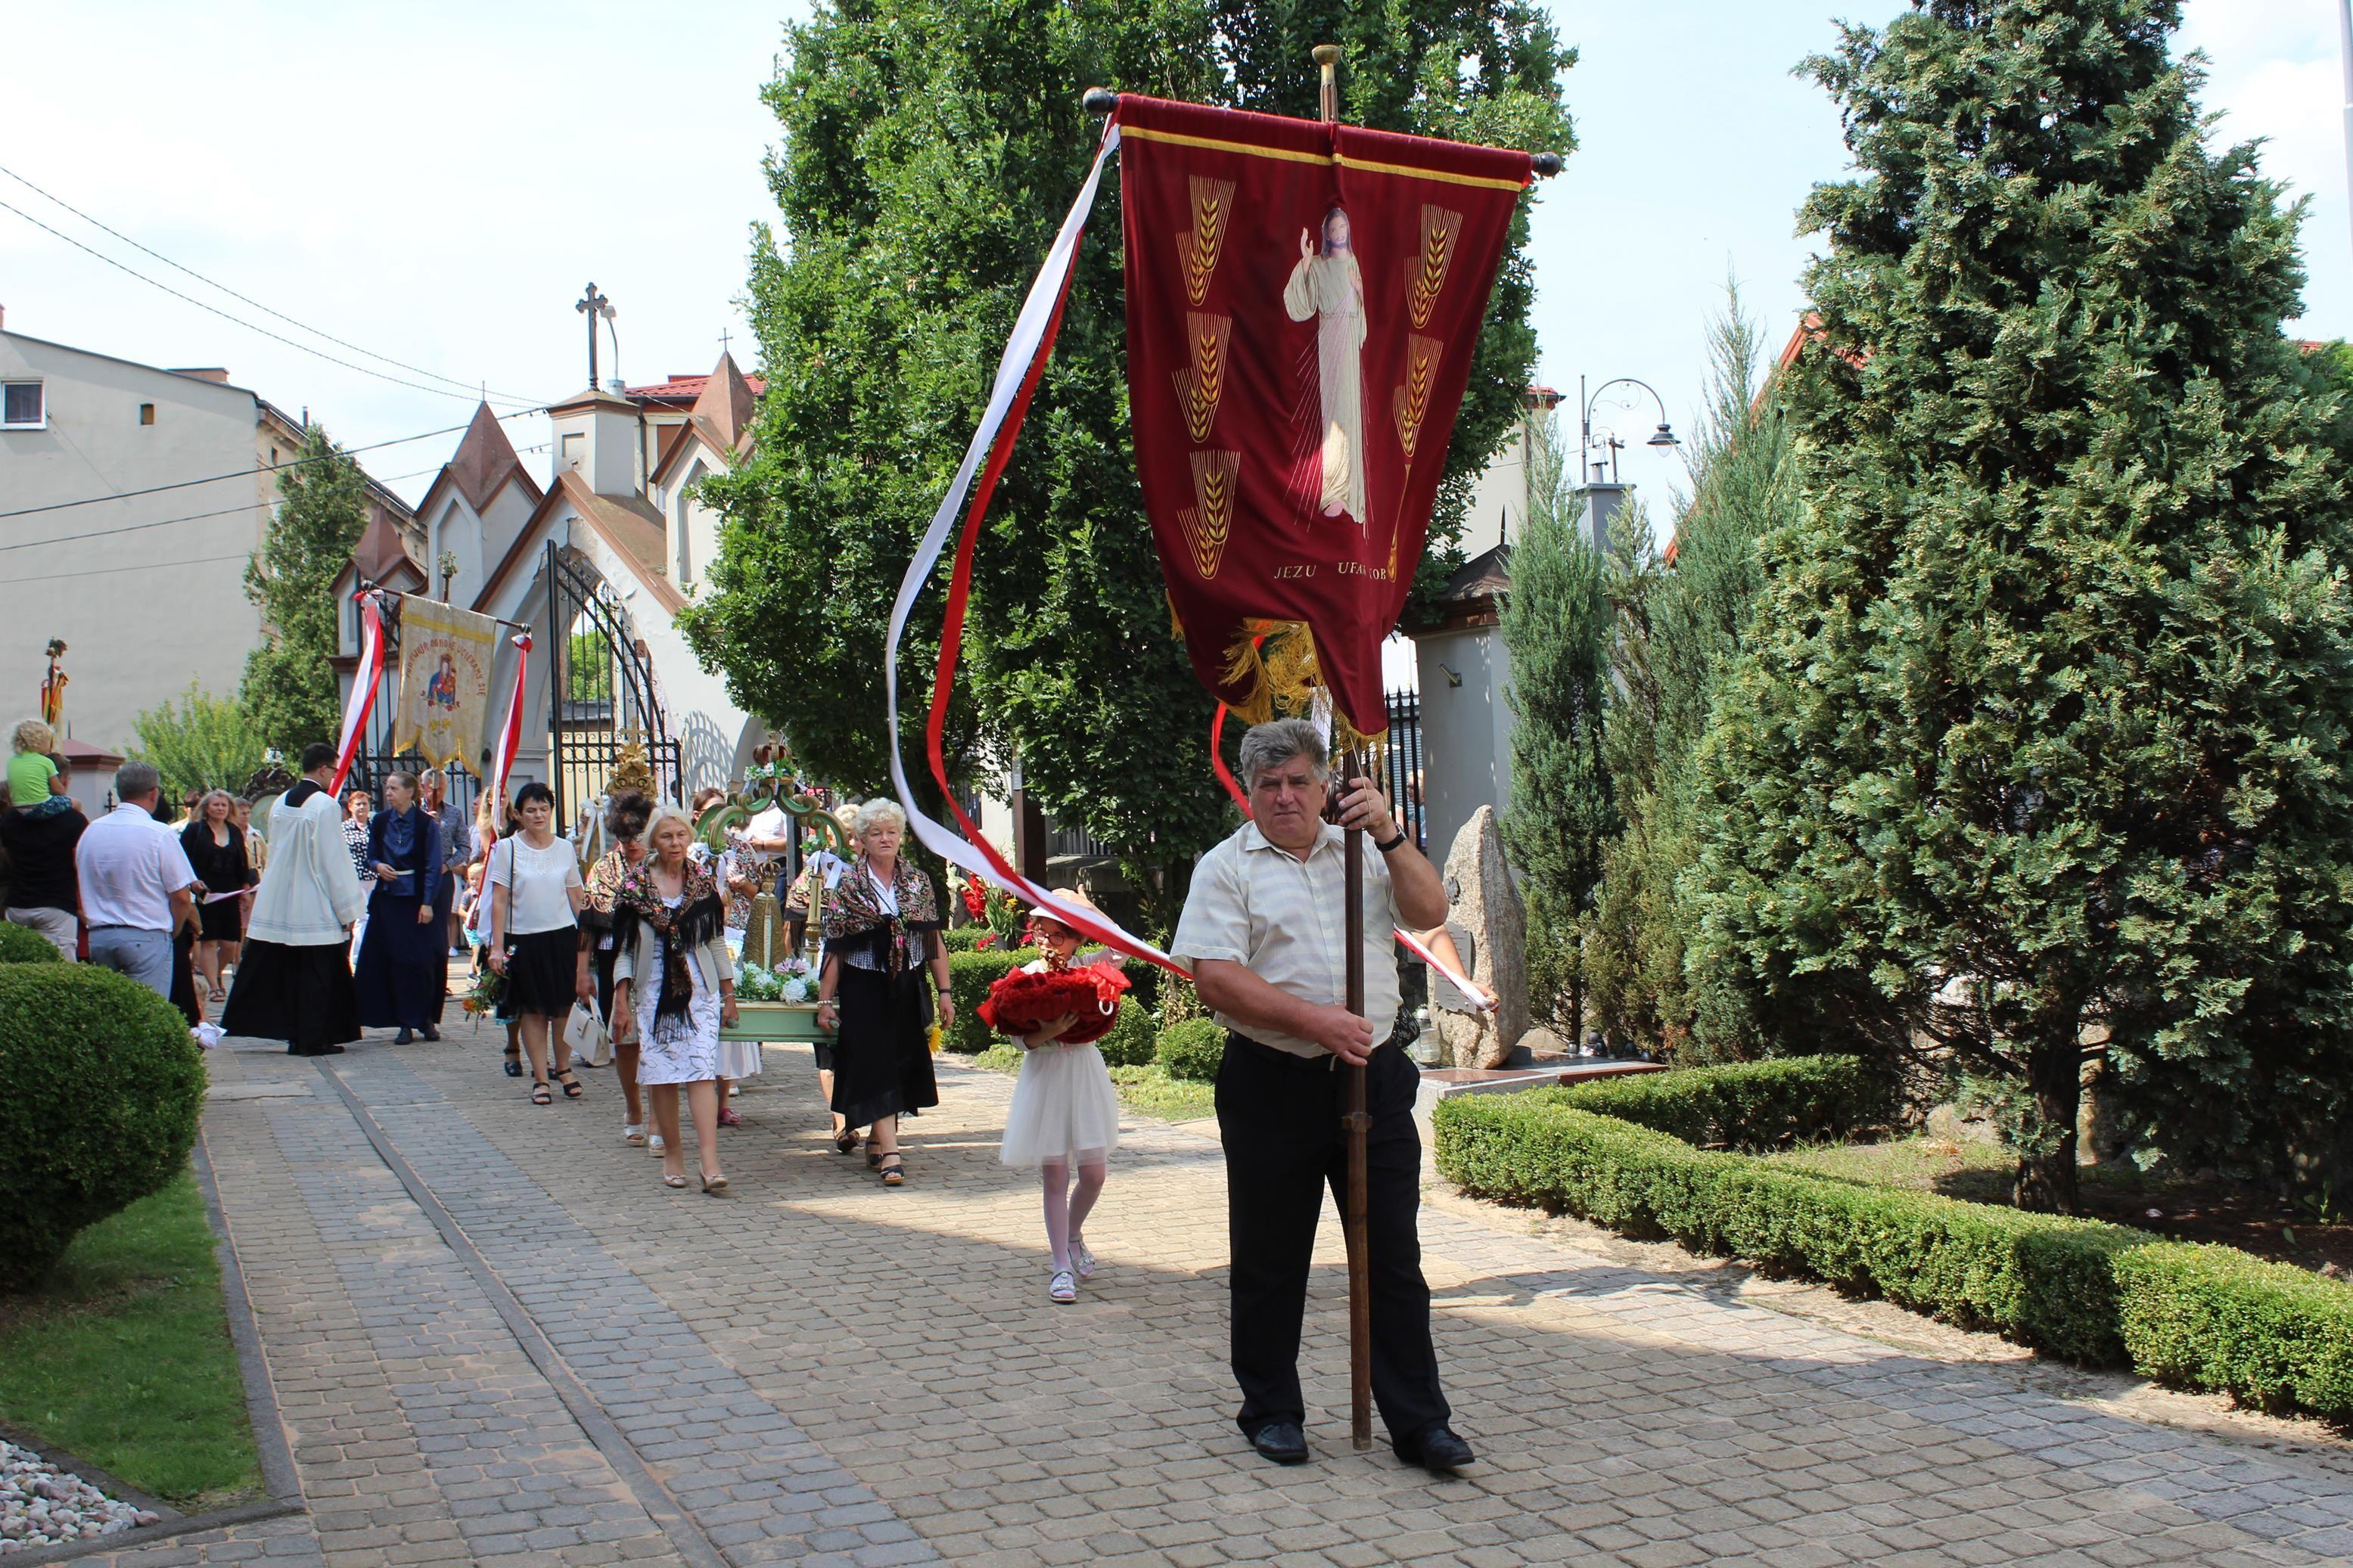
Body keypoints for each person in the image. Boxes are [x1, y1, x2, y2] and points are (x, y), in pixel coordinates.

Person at [1170, 716, 1470, 1474]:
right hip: (1272, 1080)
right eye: (1267, 785)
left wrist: (1394, 836)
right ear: (1247, 792)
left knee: (1391, 1258)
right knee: (1271, 1259)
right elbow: (1215, 977)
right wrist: (1314, 1021)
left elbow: (1431, 912)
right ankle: (1270, 1410)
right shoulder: (1225, 868)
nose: (1283, 797)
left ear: (1322, 783)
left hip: (1372, 1078)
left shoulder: (1364, 852)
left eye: (1298, 781)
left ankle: (1418, 1423)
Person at [996, 892, 1126, 1304]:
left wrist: (1088, 909)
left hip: (1084, 1073)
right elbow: (1017, 1039)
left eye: (1057, 935)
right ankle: (1060, 1268)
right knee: (1055, 1175)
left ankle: (1073, 1235)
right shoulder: (1027, 975)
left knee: (1094, 1173)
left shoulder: (1088, 968)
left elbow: (1122, 943)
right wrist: (1046, 1034)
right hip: (1046, 1076)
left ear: (1075, 939)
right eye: (1041, 933)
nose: (1046, 942)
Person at [814, 799, 948, 1188]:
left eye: (891, 832)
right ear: (862, 840)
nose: (885, 838)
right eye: (876, 833)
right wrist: (825, 1001)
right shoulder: (850, 885)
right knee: (874, 1061)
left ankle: (878, 1136)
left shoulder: (918, 881)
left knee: (900, 1061)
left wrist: (945, 992)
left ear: (901, 837)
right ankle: (891, 1153)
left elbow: (933, 938)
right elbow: (835, 947)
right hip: (864, 985)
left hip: (906, 983)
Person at [613, 805, 738, 1192]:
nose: (676, 843)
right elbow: (623, 950)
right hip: (653, 990)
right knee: (663, 1076)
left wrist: (729, 991)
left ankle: (711, 1163)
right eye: (667, 836)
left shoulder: (701, 883)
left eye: (681, 835)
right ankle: (673, 1154)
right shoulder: (635, 886)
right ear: (653, 841)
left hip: (699, 989)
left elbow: (715, 939)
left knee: (701, 1070)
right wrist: (621, 1000)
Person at [222, 745, 368, 1054]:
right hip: (313, 900)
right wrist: (348, 908)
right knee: (317, 975)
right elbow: (332, 860)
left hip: (281, 896)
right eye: (332, 770)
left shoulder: (279, 803)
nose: (333, 776)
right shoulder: (324, 806)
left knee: (289, 971)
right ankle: (313, 1039)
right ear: (322, 770)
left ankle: (295, 1035)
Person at [486, 781, 589, 1105]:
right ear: (518, 814)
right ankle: (541, 1078)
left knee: (563, 1008)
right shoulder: (508, 849)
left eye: (544, 808)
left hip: (561, 937)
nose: (539, 815)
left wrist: (589, 936)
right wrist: (497, 947)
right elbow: (499, 900)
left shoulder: (564, 848)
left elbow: (575, 895)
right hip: (524, 939)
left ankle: (564, 1068)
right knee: (532, 1010)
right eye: (531, 809)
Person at [74, 762, 201, 1000]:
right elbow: (182, 897)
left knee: (110, 1008)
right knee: (148, 1010)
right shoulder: (159, 833)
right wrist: (172, 930)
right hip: (146, 933)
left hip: (101, 934)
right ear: (154, 793)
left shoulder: (91, 831)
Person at [1282, 206, 1369, 523]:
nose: (1338, 233)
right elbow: (1301, 305)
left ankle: (1350, 492)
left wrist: (1359, 292)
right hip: (1331, 334)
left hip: (1348, 338)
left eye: (1342, 227)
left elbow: (1359, 306)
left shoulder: (1353, 263)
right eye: (1333, 229)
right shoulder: (1318, 265)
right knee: (1335, 414)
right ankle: (1334, 490)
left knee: (1350, 413)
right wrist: (1305, 262)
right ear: (1326, 234)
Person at [580, 790, 653, 1147]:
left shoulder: (664, 864)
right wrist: (582, 972)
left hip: (658, 961)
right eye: (624, 836)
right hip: (613, 963)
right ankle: (633, 1107)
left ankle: (659, 1119)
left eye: (638, 835)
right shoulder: (604, 869)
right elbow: (588, 925)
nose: (632, 844)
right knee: (625, 1042)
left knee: (658, 1042)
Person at [353, 772, 446, 1045]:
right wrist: (378, 866)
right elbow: (372, 855)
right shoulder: (380, 821)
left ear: (410, 792)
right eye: (387, 787)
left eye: (394, 788)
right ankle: (403, 1021)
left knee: (423, 960)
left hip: (418, 900)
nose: (389, 792)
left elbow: (432, 865)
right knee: (395, 960)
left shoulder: (424, 824)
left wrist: (428, 902)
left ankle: (426, 1018)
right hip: (389, 899)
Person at [0, 764, 85, 958]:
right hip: (58, 903)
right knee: (61, 966)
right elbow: (79, 863)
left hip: (17, 903)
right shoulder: (74, 820)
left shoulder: (10, 820)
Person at [179, 790, 250, 1004]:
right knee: (209, 941)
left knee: (230, 944)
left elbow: (243, 862)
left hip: (230, 892)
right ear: (206, 808)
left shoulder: (234, 832)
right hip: (205, 894)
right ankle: (214, 986)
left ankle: (216, 973)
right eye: (216, 805)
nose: (220, 808)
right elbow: (182, 859)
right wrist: (191, 882)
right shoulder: (195, 830)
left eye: (224, 805)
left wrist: (246, 889)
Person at [8, 720, 70, 819]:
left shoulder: (12, 761)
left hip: (19, 808)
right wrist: (64, 795)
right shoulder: (45, 761)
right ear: (39, 742)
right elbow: (57, 789)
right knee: (76, 803)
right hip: (40, 806)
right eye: (49, 741)